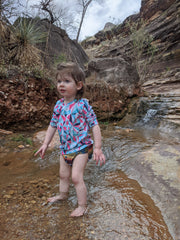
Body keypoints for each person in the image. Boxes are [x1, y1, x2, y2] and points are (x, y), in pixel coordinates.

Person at [35, 62, 106, 217]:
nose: (61, 84)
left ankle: (82, 206)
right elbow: (53, 125)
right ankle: (63, 195)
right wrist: (46, 143)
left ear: (79, 85)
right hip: (65, 148)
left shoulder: (82, 105)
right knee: (63, 175)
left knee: (75, 177)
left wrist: (98, 147)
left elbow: (94, 125)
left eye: (67, 81)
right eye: (59, 81)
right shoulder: (59, 105)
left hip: (81, 147)